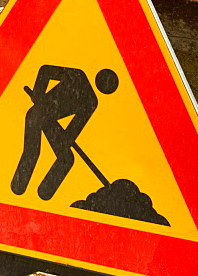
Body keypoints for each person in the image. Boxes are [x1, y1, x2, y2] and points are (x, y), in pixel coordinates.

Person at [11, 64, 118, 201]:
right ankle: (18, 187)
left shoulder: (91, 102)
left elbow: (74, 128)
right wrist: (38, 94)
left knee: (66, 158)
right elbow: (45, 71)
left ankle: (44, 193)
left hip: (50, 122)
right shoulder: (78, 77)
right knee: (33, 151)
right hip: (37, 114)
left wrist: (65, 138)